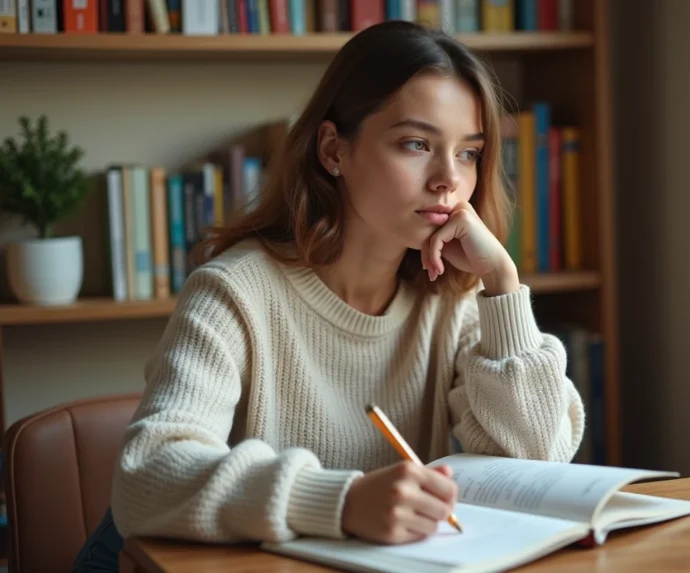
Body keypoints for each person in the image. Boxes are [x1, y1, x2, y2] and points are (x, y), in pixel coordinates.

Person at [72, 19, 585, 572]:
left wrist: (503, 287)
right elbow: (145, 478)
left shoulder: (450, 299)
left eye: (468, 153)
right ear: (333, 150)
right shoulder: (235, 293)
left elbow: (539, 458)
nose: (447, 179)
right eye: (416, 144)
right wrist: (337, 503)